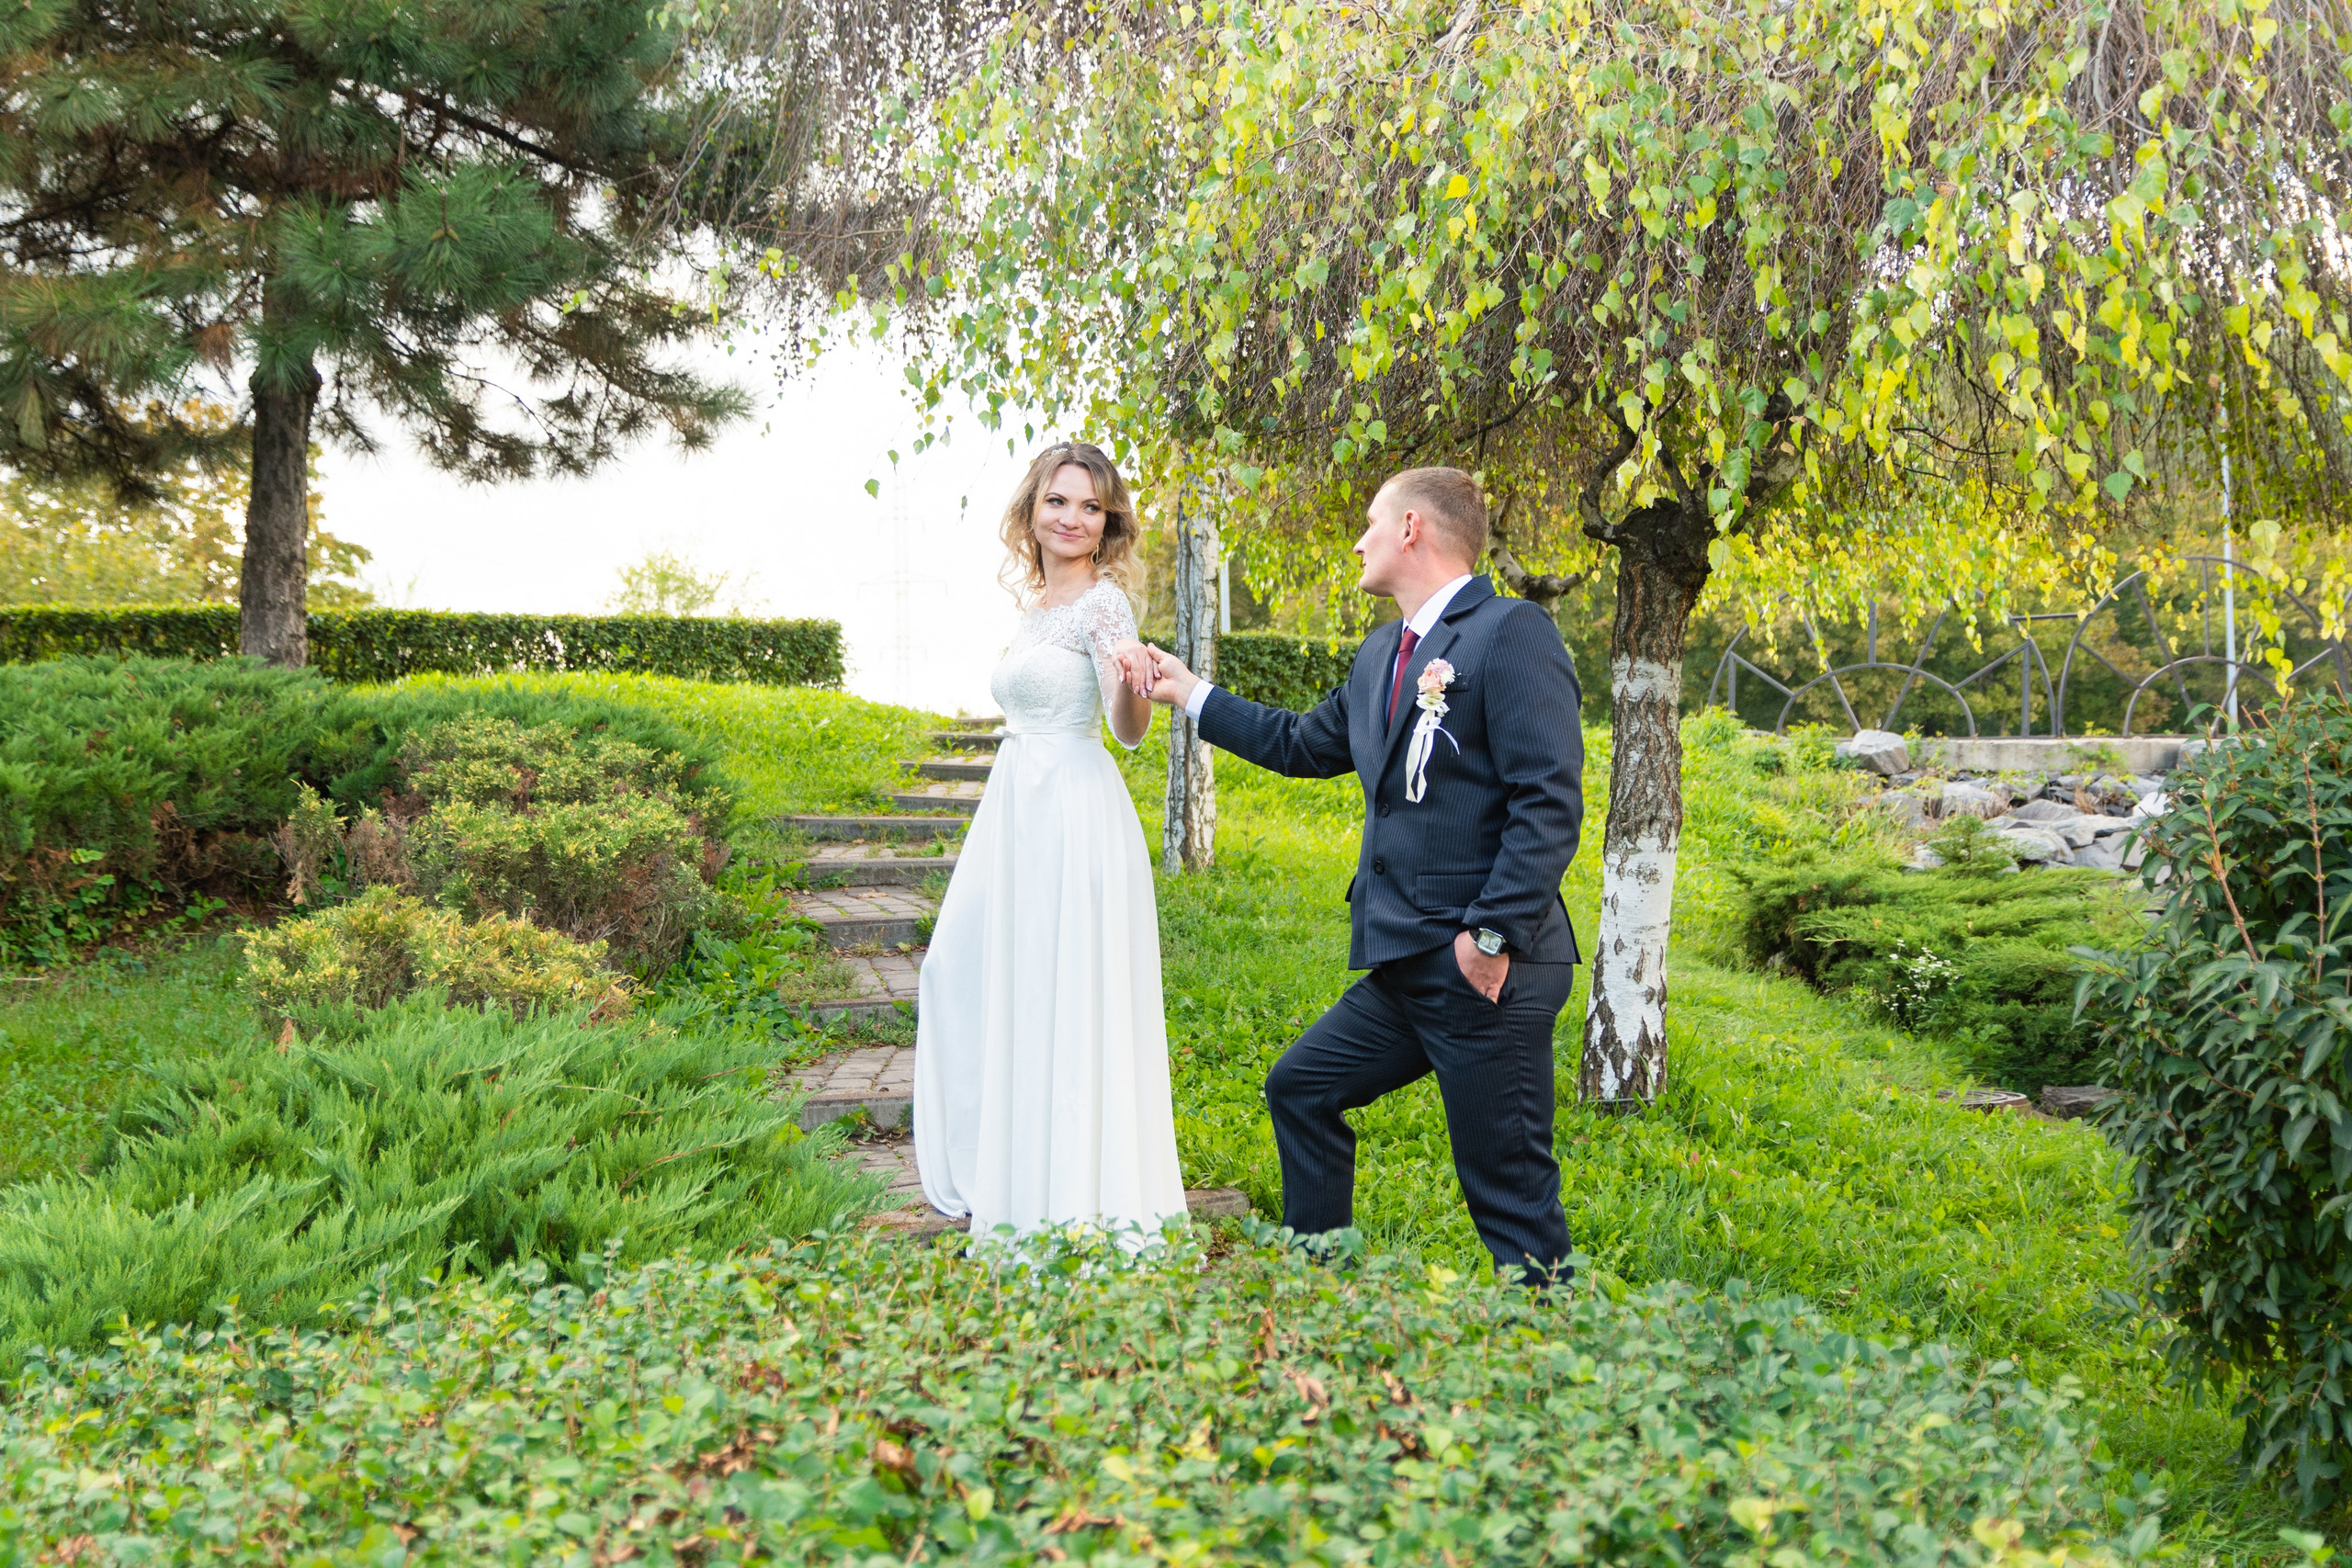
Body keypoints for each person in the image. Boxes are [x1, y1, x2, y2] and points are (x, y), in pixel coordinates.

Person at [1141, 467, 1584, 1282]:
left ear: (1412, 527)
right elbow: (1303, 744)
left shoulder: (1512, 632)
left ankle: (1554, 1379)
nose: (1359, 539)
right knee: (1301, 1089)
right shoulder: (1383, 652)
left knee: (1510, 1198)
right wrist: (1192, 693)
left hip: (1487, 967)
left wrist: (1490, 934)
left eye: (1371, 521)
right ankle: (1324, 1300)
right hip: (1406, 961)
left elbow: (1548, 802)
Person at [911, 441, 1190, 1240]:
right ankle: (1010, 1161)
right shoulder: (1036, 608)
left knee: (1067, 986)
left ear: (1108, 524)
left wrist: (1136, 681)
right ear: (1032, 510)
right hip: (1015, 810)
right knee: (960, 966)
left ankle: (1068, 1185)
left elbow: (1125, 729)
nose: (1072, 518)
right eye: (1058, 501)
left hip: (1072, 809)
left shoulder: (1105, 606)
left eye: (1090, 506)